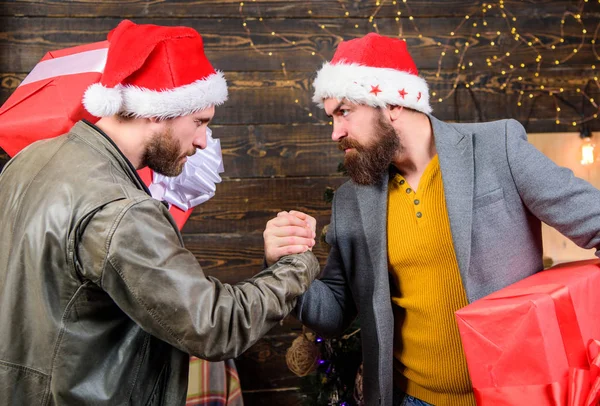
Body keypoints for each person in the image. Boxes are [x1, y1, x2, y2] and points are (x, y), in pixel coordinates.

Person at [265, 33, 600, 406]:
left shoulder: (497, 148)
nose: (335, 132)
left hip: (517, 396)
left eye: (343, 111)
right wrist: (286, 264)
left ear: (392, 103)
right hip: (414, 400)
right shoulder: (350, 200)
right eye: (331, 117)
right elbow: (331, 313)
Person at [0, 20, 318, 405]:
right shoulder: (121, 210)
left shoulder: (28, 160)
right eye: (199, 122)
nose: (203, 141)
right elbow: (217, 326)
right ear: (155, 110)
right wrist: (295, 266)